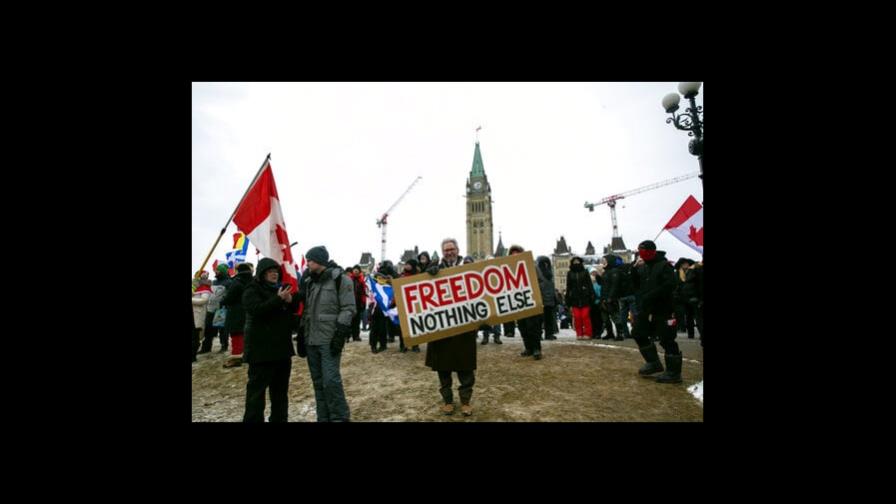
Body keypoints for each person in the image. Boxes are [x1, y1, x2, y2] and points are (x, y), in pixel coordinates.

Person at [297, 246, 355, 422]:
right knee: (318, 383)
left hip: (329, 340)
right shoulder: (310, 282)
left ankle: (340, 418)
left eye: (311, 260)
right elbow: (307, 311)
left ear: (320, 261)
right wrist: (301, 334)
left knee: (331, 381)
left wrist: (339, 334)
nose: (308, 263)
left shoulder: (341, 280)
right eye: (307, 260)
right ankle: (323, 418)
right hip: (311, 339)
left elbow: (349, 308)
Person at [241, 258, 300, 422]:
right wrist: (278, 299)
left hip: (281, 351)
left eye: (276, 271)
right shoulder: (251, 289)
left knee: (280, 393)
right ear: (261, 274)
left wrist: (291, 301)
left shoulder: (281, 289)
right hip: (260, 352)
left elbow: (291, 313)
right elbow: (256, 310)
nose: (274, 274)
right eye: (270, 271)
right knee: (256, 395)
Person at [424, 238, 477, 416]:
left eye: (451, 249)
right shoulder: (434, 269)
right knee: (443, 367)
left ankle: (465, 401)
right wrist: (428, 273)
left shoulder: (468, 266)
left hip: (464, 324)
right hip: (442, 326)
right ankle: (447, 401)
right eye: (446, 250)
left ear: (457, 250)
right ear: (442, 252)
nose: (449, 252)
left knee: (465, 367)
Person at [631, 240, 682, 383]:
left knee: (667, 339)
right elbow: (635, 285)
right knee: (638, 333)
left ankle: (674, 372)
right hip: (646, 309)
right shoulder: (643, 266)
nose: (642, 255)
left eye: (644, 251)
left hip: (664, 308)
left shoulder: (664, 266)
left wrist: (651, 295)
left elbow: (669, 285)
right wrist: (634, 269)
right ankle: (653, 362)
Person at [509, 244, 543, 359]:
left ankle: (536, 348)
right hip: (518, 302)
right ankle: (528, 348)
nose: (515, 257)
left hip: (531, 299)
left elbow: (540, 281)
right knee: (522, 326)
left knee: (533, 325)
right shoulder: (509, 268)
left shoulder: (531, 265)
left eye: (517, 254)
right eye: (512, 255)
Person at [220, 263, 253, 368]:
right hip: (248, 312)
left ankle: (236, 358)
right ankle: (246, 355)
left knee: (236, 335)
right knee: (245, 335)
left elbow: (229, 298)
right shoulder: (252, 281)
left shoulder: (237, 282)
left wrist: (222, 300)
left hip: (236, 312)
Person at [200, 263, 232, 354]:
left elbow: (229, 296)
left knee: (222, 329)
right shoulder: (214, 282)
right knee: (208, 328)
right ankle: (206, 347)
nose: (216, 271)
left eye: (217, 270)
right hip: (211, 308)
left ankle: (224, 345)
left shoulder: (228, 282)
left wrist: (223, 303)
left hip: (221, 309)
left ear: (222, 271)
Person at [565, 256, 595, 339]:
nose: (576, 263)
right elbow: (568, 286)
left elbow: (589, 284)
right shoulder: (569, 273)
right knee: (577, 317)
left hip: (585, 297)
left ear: (580, 263)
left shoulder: (585, 272)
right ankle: (579, 334)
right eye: (574, 262)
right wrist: (567, 298)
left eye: (577, 262)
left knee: (585, 316)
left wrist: (591, 295)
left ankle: (588, 333)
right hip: (574, 298)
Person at [536, 256, 559, 340]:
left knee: (549, 319)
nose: (545, 265)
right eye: (543, 263)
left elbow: (552, 287)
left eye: (546, 263)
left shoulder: (550, 274)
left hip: (549, 299)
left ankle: (549, 334)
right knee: (539, 320)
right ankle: (539, 334)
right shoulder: (538, 274)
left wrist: (554, 298)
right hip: (541, 299)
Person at [192, 278, 212, 362]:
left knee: (195, 337)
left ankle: (193, 355)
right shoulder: (194, 288)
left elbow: (203, 300)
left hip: (197, 315)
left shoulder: (205, 289)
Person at [348, 265, 366, 342]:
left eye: (357, 270)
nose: (356, 271)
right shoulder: (349, 280)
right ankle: (347, 336)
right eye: (354, 270)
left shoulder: (361, 281)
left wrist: (363, 302)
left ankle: (356, 335)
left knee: (357, 320)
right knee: (349, 320)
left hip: (358, 303)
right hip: (350, 302)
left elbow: (364, 293)